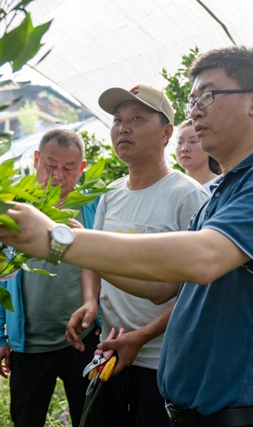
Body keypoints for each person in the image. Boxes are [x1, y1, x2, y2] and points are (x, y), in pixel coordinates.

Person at [0, 46, 253, 427]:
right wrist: (80, 262)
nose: (196, 111)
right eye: (193, 100)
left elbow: (204, 259)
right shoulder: (221, 195)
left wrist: (59, 240)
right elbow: (161, 288)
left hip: (242, 417)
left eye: (208, 96)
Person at [66, 84, 208, 427]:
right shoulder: (111, 195)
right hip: (111, 352)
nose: (123, 128)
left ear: (166, 132)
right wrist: (90, 302)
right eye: (117, 120)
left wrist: (143, 336)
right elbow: (94, 258)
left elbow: (198, 289)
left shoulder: (186, 196)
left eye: (136, 118)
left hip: (162, 361)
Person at [0, 129, 99, 427]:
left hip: (84, 338)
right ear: (37, 159)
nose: (59, 176)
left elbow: (108, 266)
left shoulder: (94, 206)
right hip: (29, 345)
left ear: (82, 168)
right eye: (51, 165)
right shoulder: (15, 208)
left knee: (91, 418)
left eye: (69, 168)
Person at [175, 119, 221, 192]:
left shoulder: (222, 187)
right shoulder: (171, 188)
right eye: (180, 142)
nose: (184, 148)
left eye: (193, 142)